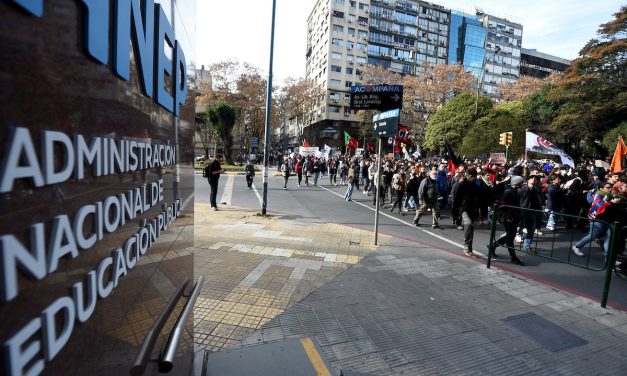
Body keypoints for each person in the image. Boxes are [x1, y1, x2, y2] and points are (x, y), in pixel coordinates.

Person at [491, 175, 525, 265]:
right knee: (510, 238)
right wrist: (509, 216)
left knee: (510, 236)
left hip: (514, 216)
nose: (523, 184)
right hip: (509, 218)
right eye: (521, 182)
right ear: (517, 183)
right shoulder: (508, 192)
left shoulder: (515, 191)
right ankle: (513, 257)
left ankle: (493, 246)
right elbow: (503, 206)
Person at [452, 168, 482, 256]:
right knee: (468, 223)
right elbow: (456, 200)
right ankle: (466, 247)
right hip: (463, 208)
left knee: (471, 228)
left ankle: (469, 248)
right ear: (467, 175)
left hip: (472, 209)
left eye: (474, 177)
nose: (473, 178)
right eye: (471, 176)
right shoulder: (461, 185)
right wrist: (454, 213)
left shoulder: (476, 186)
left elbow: (480, 198)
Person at [518, 175, 543, 253]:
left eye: (535, 179)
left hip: (533, 212)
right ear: (528, 180)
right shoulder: (523, 189)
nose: (533, 180)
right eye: (531, 178)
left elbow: (539, 201)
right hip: (523, 212)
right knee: (517, 229)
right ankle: (500, 241)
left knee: (531, 230)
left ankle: (527, 246)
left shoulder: (536, 190)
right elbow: (517, 200)